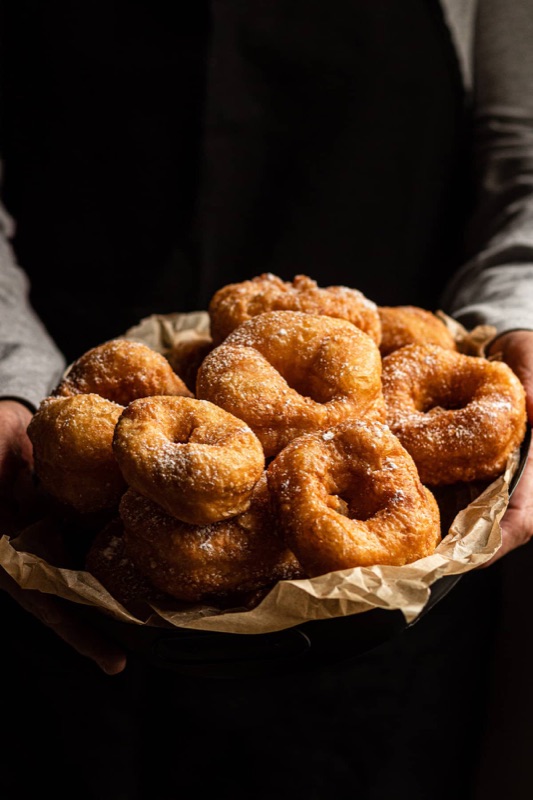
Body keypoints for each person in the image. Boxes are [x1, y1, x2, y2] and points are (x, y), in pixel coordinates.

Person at [0, 1, 532, 798]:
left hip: (384, 632)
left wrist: (517, 319)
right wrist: (6, 375)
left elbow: (524, 157)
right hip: (50, 490)